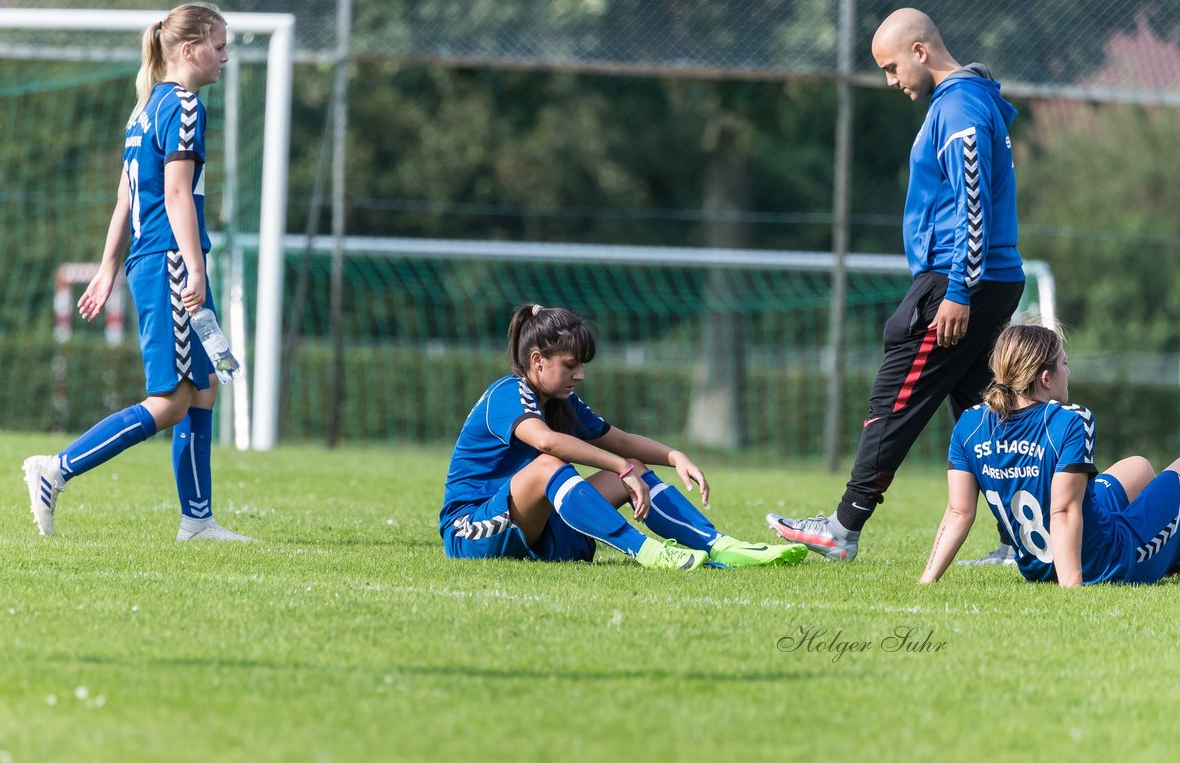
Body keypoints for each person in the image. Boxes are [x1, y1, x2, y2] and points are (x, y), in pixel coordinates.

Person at [767, 7, 1024, 562]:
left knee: (897, 392)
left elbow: (971, 201)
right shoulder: (972, 97)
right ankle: (1022, 537)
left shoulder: (956, 107)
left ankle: (841, 529)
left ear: (920, 52)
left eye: (890, 67)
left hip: (962, 279)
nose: (891, 81)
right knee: (985, 409)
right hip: (993, 278)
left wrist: (957, 290)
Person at [22, 3, 250, 542]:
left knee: (205, 384)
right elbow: (175, 193)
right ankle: (55, 469)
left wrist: (107, 267)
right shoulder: (185, 105)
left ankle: (197, 521)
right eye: (219, 46)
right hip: (172, 260)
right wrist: (193, 265)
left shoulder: (144, 108)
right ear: (190, 49)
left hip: (157, 261)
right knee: (170, 400)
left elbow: (126, 197)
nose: (224, 56)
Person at [441, 304, 808, 570]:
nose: (580, 374)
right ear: (537, 360)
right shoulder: (507, 392)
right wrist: (618, 467)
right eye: (571, 364)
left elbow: (621, 441)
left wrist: (674, 456)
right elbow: (546, 443)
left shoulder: (560, 401)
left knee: (633, 465)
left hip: (537, 534)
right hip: (473, 531)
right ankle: (648, 552)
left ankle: (720, 545)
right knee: (549, 465)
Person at [921, 324, 1180, 586]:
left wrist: (926, 581)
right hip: (1107, 563)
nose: (1068, 371)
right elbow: (1064, 512)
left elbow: (958, 512)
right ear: (1046, 378)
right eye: (1064, 363)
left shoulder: (969, 423)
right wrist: (1071, 591)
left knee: (1139, 467)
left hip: (1038, 567)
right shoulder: (1071, 420)